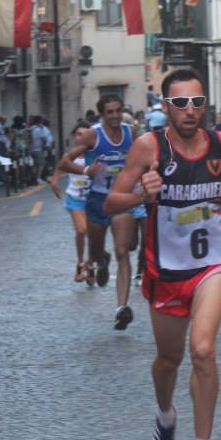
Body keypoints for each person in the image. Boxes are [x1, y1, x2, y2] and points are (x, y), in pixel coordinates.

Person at [105, 68, 221, 440]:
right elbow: (111, 201)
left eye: (197, 102)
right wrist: (143, 195)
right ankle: (166, 416)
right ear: (165, 106)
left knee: (203, 350)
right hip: (167, 270)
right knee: (168, 360)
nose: (190, 110)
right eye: (180, 103)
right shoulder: (148, 147)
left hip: (213, 265)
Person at [56, 94, 142, 330]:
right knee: (94, 253)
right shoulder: (93, 135)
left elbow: (143, 158)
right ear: (102, 115)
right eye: (109, 112)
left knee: (123, 251)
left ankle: (121, 308)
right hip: (97, 200)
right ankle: (102, 260)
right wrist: (86, 170)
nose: (115, 116)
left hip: (121, 198)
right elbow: (64, 162)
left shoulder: (130, 133)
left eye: (118, 111)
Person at [49, 122, 94, 284]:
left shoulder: (94, 152)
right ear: (74, 136)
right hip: (75, 198)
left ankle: (91, 265)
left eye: (85, 134)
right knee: (81, 230)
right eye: (78, 134)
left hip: (93, 199)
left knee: (94, 235)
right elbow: (61, 166)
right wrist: (54, 181)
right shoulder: (70, 155)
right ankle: (80, 263)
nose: (81, 137)